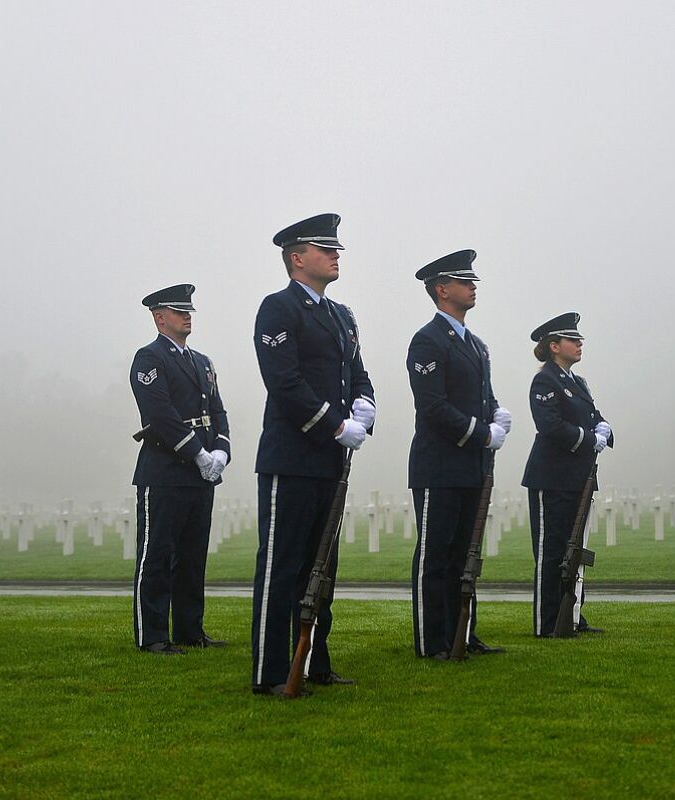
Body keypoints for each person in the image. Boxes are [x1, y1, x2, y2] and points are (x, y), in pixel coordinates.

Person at [250, 213, 376, 695]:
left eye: (336, 249)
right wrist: (334, 424)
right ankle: (270, 670)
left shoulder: (341, 314)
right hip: (292, 457)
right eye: (325, 249)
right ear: (297, 258)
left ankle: (314, 662)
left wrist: (365, 406)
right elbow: (284, 382)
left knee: (323, 568)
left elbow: (356, 373)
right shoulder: (278, 308)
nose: (335, 254)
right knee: (283, 566)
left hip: (330, 459)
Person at [406, 249, 511, 660]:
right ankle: (432, 641)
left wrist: (496, 412)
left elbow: (480, 396)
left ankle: (463, 633)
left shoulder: (476, 344)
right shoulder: (428, 340)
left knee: (464, 555)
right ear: (442, 289)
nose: (473, 287)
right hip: (440, 465)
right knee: (435, 557)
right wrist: (482, 432)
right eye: (464, 282)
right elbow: (433, 407)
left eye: (473, 282)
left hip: (471, 466)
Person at [129, 284, 232, 654]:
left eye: (188, 310)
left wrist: (221, 451)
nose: (186, 315)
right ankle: (153, 635)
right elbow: (161, 415)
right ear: (159, 317)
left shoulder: (202, 361)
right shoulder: (149, 358)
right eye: (177, 310)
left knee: (192, 556)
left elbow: (217, 411)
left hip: (200, 475)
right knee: (156, 555)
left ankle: (191, 630)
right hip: (165, 472)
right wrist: (198, 454)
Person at [521, 312, 614, 637]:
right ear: (554, 345)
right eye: (573, 340)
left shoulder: (578, 383)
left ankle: (573, 616)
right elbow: (550, 426)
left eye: (579, 340)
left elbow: (593, 416)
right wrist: (590, 438)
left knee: (575, 550)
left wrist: (604, 427)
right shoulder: (545, 380)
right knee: (552, 552)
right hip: (552, 477)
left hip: (579, 478)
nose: (579, 344)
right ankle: (547, 623)